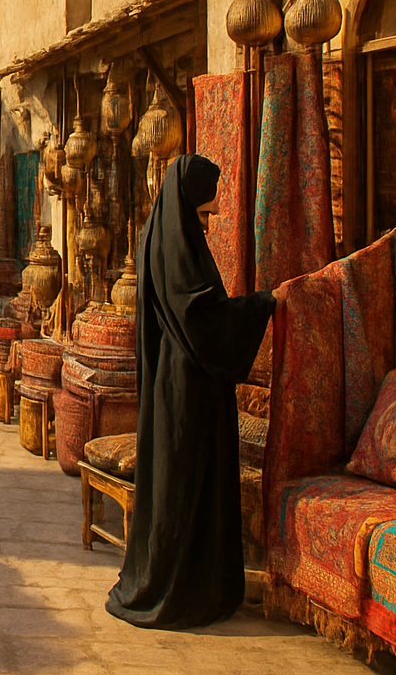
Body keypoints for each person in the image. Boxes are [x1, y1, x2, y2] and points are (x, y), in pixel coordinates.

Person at [105, 154, 276, 630]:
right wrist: (262, 305)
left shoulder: (161, 237)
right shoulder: (178, 250)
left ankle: (191, 587)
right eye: (203, 215)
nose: (206, 225)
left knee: (184, 489)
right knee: (184, 491)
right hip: (186, 393)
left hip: (180, 388)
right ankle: (180, 593)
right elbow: (203, 320)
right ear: (186, 206)